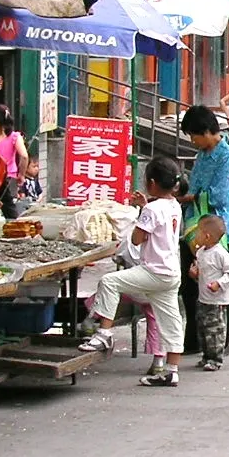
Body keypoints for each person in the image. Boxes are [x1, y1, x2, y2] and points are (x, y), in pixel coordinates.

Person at [80, 157, 185, 386]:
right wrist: (145, 207)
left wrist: (142, 213)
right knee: (171, 321)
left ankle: (104, 335)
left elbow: (137, 239)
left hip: (154, 272)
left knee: (109, 282)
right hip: (171, 273)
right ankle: (171, 370)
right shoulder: (174, 205)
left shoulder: (152, 209)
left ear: (152, 182)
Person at [178, 105, 229, 353]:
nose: (193, 141)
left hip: (216, 234)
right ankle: (194, 340)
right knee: (192, 288)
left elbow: (220, 197)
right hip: (193, 230)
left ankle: (220, 342)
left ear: (206, 131)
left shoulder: (227, 158)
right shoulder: (202, 155)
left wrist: (192, 197)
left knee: (219, 291)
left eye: (194, 136)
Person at [190, 215, 229, 371]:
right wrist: (195, 274)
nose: (195, 235)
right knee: (202, 328)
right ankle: (206, 355)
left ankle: (216, 358)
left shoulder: (220, 254)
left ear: (207, 236)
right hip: (203, 298)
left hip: (217, 301)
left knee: (215, 329)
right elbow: (202, 272)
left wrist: (220, 283)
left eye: (198, 232)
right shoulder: (201, 252)